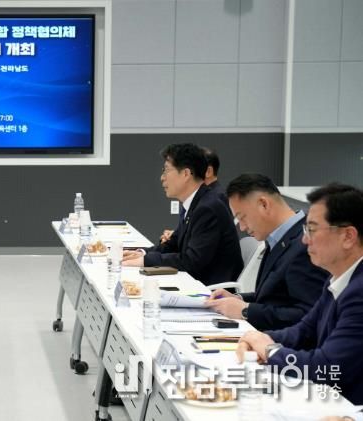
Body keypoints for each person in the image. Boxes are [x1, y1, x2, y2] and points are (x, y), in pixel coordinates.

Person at [236, 183, 363, 405]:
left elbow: (326, 367)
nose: (304, 240)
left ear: (348, 236)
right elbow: (303, 331)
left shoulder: (359, 292)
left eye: (312, 230)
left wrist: (269, 350)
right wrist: (258, 339)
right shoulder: (336, 279)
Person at [206, 174, 328, 330]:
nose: (242, 227)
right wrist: (238, 299)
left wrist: (246, 311)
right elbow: (274, 297)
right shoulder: (280, 238)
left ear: (264, 204)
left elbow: (308, 315)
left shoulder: (305, 245)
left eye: (242, 217)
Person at [123, 143, 243, 286]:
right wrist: (143, 253)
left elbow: (191, 261)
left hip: (210, 289)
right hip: (194, 281)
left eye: (166, 170)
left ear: (186, 174)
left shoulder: (208, 207)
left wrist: (146, 261)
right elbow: (174, 243)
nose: (162, 178)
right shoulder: (194, 202)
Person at [160, 147, 226, 244]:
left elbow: (195, 252)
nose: (162, 178)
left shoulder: (211, 203)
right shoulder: (194, 200)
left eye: (167, 170)